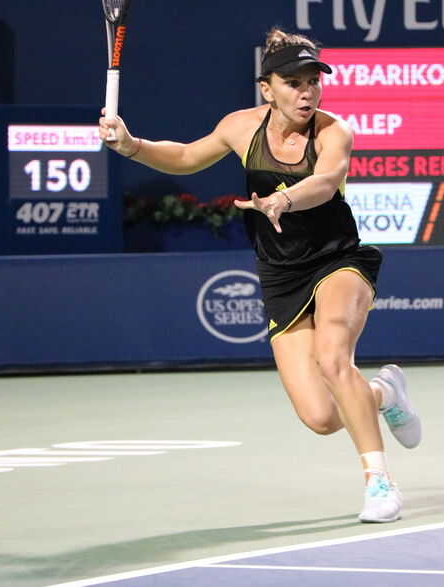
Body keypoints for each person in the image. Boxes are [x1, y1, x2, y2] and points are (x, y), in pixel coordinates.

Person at [99, 28, 422, 523]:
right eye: (293, 82)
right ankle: (382, 393)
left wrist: (284, 198)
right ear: (266, 88)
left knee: (334, 356)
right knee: (320, 417)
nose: (307, 91)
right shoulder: (241, 127)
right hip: (281, 274)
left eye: (313, 80)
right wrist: (131, 145)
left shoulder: (335, 132)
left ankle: (379, 482)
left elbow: (327, 180)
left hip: (338, 260)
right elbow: (186, 157)